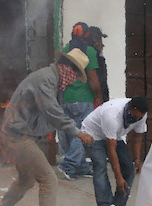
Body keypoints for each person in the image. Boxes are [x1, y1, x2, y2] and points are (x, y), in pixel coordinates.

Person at [0, 48, 94, 206]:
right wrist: (79, 133)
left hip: (18, 134)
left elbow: (51, 114)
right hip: (17, 136)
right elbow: (53, 112)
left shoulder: (52, 79)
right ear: (70, 69)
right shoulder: (46, 79)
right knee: (49, 179)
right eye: (76, 76)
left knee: (26, 180)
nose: (74, 81)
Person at [82, 96, 149, 206]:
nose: (137, 119)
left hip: (114, 135)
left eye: (140, 117)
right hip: (92, 134)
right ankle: (106, 205)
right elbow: (111, 150)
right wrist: (118, 178)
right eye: (135, 116)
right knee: (100, 166)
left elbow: (137, 136)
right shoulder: (112, 115)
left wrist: (137, 159)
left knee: (129, 169)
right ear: (130, 108)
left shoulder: (141, 115)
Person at [57, 22, 104, 180]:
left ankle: (81, 167)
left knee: (72, 131)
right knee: (84, 132)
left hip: (67, 98)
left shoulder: (65, 51)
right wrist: (98, 96)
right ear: (86, 35)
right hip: (84, 98)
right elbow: (92, 78)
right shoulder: (89, 51)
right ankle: (69, 165)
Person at [88, 26, 110, 103]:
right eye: (100, 40)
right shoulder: (96, 56)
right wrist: (103, 97)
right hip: (95, 98)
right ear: (95, 40)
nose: (102, 45)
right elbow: (101, 79)